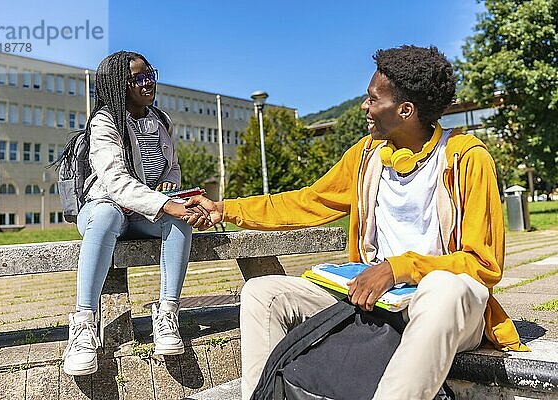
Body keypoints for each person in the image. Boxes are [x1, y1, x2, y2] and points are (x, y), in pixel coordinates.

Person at [184, 45, 528, 400]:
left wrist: (399, 268)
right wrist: (223, 209)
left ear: (405, 110)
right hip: (374, 298)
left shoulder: (467, 157)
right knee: (263, 293)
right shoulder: (366, 156)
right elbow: (308, 201)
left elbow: (482, 265)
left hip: (448, 308)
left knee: (444, 288)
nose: (364, 106)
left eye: (372, 99)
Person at [61, 51, 202, 376]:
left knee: (180, 219)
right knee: (109, 215)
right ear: (118, 85)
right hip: (102, 209)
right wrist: (166, 203)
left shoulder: (161, 120)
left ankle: (167, 314)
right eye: (137, 78)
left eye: (149, 73)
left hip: (142, 212)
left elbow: (173, 166)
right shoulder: (105, 121)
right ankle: (83, 326)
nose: (147, 81)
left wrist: (169, 184)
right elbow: (117, 183)